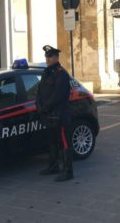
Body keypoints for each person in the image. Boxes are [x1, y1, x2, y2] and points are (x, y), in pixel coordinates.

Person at [36, 45, 73, 182]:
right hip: (49, 115)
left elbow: (58, 95)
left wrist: (45, 107)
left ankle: (68, 171)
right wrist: (38, 104)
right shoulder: (47, 72)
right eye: (46, 56)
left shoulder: (61, 73)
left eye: (50, 56)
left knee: (64, 142)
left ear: (57, 57)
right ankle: (53, 166)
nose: (47, 59)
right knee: (52, 141)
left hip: (60, 115)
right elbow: (40, 91)